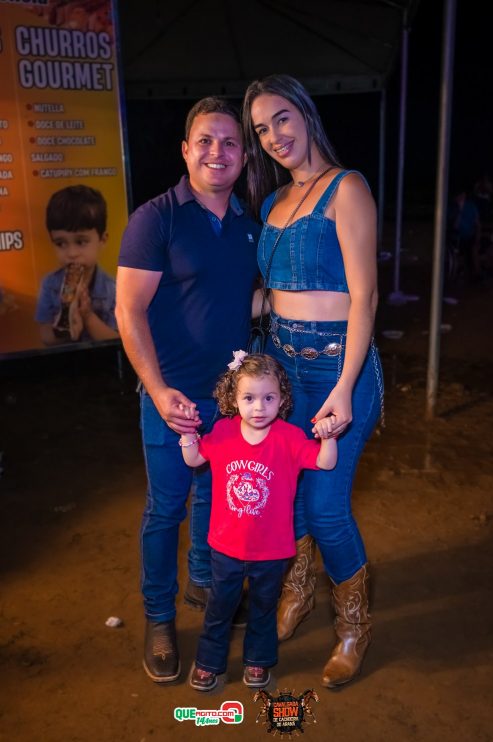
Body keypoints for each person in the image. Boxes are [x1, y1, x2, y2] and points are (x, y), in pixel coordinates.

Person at [241, 74, 384, 689]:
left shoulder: (347, 188)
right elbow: (267, 297)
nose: (273, 137)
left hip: (337, 370)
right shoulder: (272, 203)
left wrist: (345, 386)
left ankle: (353, 624)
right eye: (260, 130)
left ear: (304, 113)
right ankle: (297, 588)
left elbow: (366, 297)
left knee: (325, 509)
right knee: (287, 499)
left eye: (281, 119)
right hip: (282, 372)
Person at [116, 97, 261, 683]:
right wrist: (156, 389)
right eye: (205, 140)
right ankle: (158, 619)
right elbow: (128, 311)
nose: (217, 152)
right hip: (170, 401)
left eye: (229, 142)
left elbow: (240, 300)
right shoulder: (157, 218)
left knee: (213, 501)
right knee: (166, 509)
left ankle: (202, 582)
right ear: (185, 150)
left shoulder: (250, 225)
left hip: (227, 401)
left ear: (243, 155)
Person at [180, 351, 337, 691]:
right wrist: (188, 432)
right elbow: (194, 458)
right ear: (233, 399)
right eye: (249, 398)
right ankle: (208, 663)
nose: (259, 407)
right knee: (220, 607)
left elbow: (324, 463)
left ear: (282, 399)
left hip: (274, 549)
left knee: (264, 609)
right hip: (226, 546)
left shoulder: (291, 438)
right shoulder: (222, 432)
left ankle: (257, 662)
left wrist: (329, 436)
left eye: (269, 398)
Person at [35, 185, 118, 345]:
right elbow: (45, 337)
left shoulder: (113, 288)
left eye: (81, 242)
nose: (71, 253)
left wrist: (87, 316)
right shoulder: (49, 284)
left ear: (102, 240)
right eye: (60, 243)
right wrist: (66, 326)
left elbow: (117, 341)